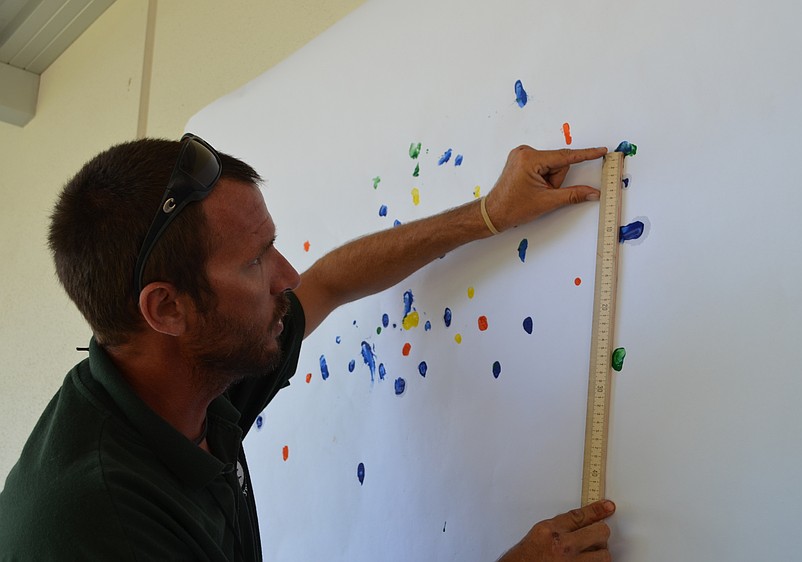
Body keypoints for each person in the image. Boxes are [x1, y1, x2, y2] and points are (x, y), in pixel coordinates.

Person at [0, 133, 615, 561]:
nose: (285, 275)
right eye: (253, 261)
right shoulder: (97, 522)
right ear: (166, 309)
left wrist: (489, 214)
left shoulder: (191, 373)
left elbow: (329, 281)